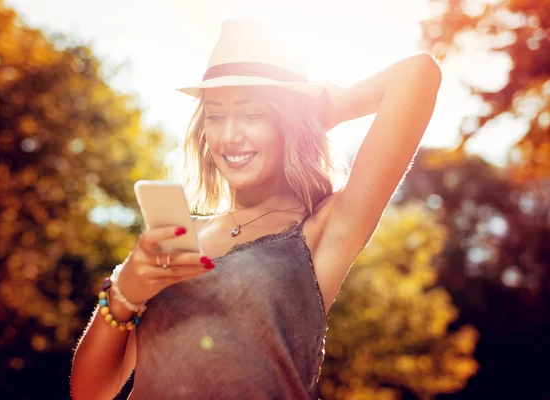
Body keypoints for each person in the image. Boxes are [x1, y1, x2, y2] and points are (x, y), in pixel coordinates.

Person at [70, 18, 441, 400]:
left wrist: (319, 111)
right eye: (215, 116)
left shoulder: (322, 229)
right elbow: (90, 393)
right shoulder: (181, 236)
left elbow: (418, 74)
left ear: (288, 121)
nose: (229, 136)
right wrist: (123, 293)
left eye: (252, 114)